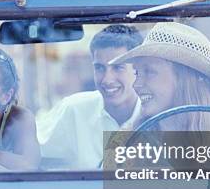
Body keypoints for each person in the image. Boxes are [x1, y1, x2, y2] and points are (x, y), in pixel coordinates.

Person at [109, 22, 210, 167]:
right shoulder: (126, 141)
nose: (136, 84)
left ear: (184, 80)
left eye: (149, 72)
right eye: (137, 73)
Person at [36, 25, 143, 169]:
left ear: (138, 69)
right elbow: (31, 153)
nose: (107, 79)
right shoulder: (74, 110)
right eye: (99, 68)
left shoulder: (160, 115)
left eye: (118, 67)